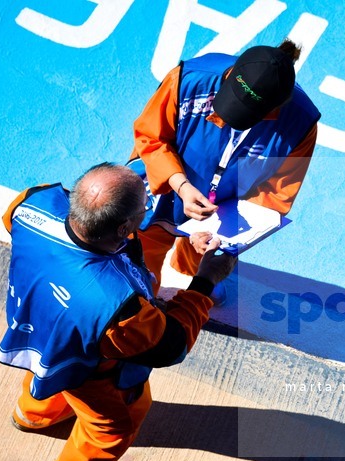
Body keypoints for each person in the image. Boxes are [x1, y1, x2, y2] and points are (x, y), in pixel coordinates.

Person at [0, 163, 236, 461]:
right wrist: (203, 283)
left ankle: (32, 414)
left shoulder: (31, 201)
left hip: (37, 328)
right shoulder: (117, 307)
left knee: (46, 371)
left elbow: (16, 226)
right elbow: (171, 344)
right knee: (112, 426)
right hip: (88, 366)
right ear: (124, 228)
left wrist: (185, 238)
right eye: (145, 208)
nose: (148, 210)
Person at [129, 38, 321, 293]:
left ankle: (191, 268)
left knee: (204, 262)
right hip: (164, 182)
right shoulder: (188, 79)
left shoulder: (301, 126)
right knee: (138, 275)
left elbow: (275, 194)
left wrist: (220, 231)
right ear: (230, 74)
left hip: (225, 204)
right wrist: (181, 185)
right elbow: (151, 137)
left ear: (274, 110)